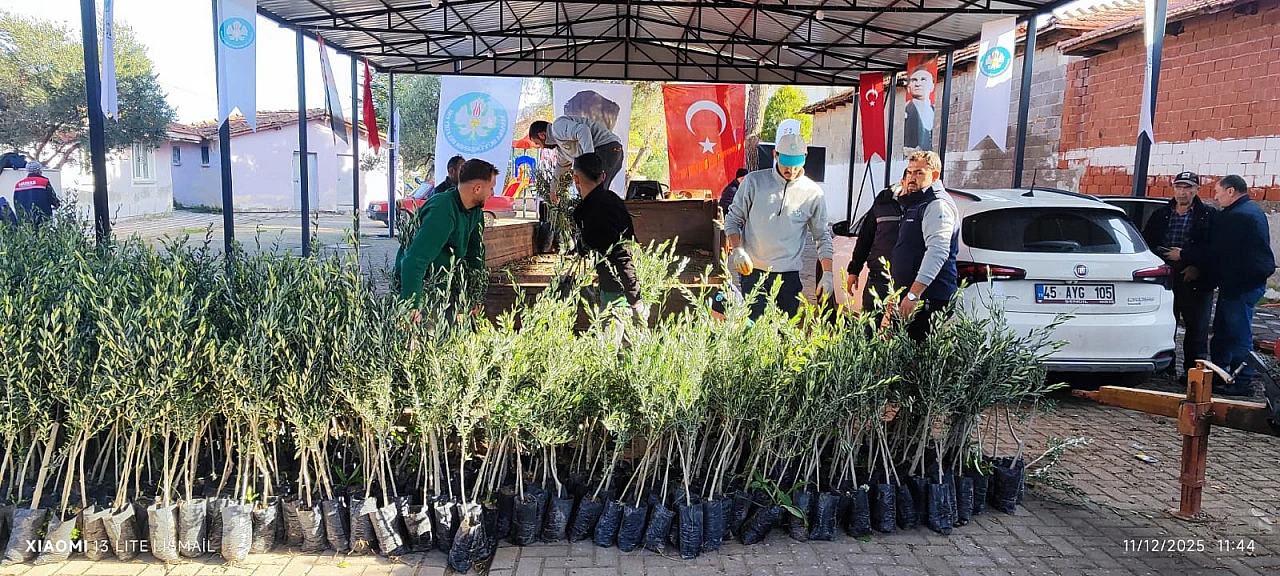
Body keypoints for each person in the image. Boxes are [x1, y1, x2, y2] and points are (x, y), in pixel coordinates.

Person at [1168, 175, 1275, 396]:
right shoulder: (1248, 211)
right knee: (1224, 332)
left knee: (1237, 333)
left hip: (1241, 284)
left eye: (1218, 191)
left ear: (1231, 191)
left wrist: (1185, 255)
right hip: (1238, 282)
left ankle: (1242, 381)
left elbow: (1218, 250)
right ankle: (1222, 374)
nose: (1215, 196)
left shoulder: (1238, 216)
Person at [724, 134, 835, 319]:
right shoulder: (754, 182)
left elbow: (822, 236)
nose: (790, 169)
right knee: (753, 333)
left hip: (789, 276)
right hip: (754, 273)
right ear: (775, 155)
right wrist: (737, 250)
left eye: (796, 163)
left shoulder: (813, 194)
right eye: (785, 163)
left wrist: (828, 274)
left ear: (805, 157)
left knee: (786, 334)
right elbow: (733, 219)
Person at [1141, 171, 1216, 380]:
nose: (1183, 192)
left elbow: (1214, 249)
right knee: (1167, 323)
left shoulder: (1207, 215)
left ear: (1196, 190)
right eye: (1179, 187)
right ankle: (1166, 367)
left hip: (1195, 280)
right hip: (1166, 277)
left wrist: (1196, 266)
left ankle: (1193, 373)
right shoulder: (1161, 213)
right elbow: (1148, 243)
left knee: (1197, 330)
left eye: (1188, 188)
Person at [396, 159, 499, 307]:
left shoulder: (475, 211)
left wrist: (475, 295)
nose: (493, 194)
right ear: (477, 189)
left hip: (448, 286)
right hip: (421, 288)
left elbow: (474, 254)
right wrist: (410, 307)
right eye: (491, 188)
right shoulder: (442, 211)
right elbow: (414, 260)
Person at [890, 150, 958, 341]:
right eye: (910, 172)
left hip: (928, 301)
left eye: (919, 173)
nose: (912, 178)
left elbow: (938, 251)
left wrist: (913, 295)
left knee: (917, 362)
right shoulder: (917, 203)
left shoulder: (937, 205)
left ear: (934, 175)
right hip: (909, 297)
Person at [570, 152, 645, 321]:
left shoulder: (596, 213)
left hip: (618, 294)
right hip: (626, 283)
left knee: (610, 346)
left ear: (576, 179)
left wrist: (635, 298)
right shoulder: (612, 201)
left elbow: (620, 253)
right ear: (603, 176)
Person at [847, 170, 907, 313]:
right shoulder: (883, 202)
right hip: (878, 279)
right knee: (869, 330)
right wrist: (854, 270)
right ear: (902, 181)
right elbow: (865, 238)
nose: (913, 181)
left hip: (908, 283)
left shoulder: (924, 207)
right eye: (910, 175)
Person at [528, 117, 626, 196]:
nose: (541, 148)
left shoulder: (557, 127)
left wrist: (589, 159)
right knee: (598, 193)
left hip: (605, 148)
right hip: (613, 151)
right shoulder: (561, 148)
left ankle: (599, 218)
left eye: (538, 143)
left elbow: (582, 130)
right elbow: (560, 167)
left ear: (542, 135)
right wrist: (553, 190)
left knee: (592, 193)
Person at [903, 67, 935, 151]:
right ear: (909, 88)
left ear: (932, 86)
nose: (918, 84)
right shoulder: (906, 111)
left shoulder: (935, 111)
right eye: (914, 80)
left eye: (923, 79)